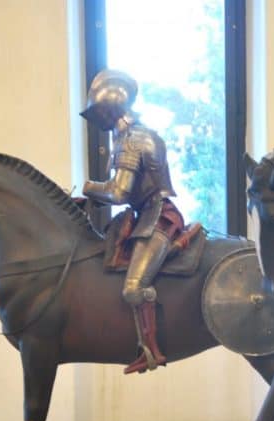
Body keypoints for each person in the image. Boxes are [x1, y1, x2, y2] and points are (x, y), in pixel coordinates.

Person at [81, 69, 184, 374]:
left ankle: (152, 351)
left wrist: (88, 187)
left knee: (133, 287)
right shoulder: (128, 136)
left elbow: (120, 192)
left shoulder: (133, 140)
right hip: (145, 215)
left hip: (158, 216)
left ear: (107, 108)